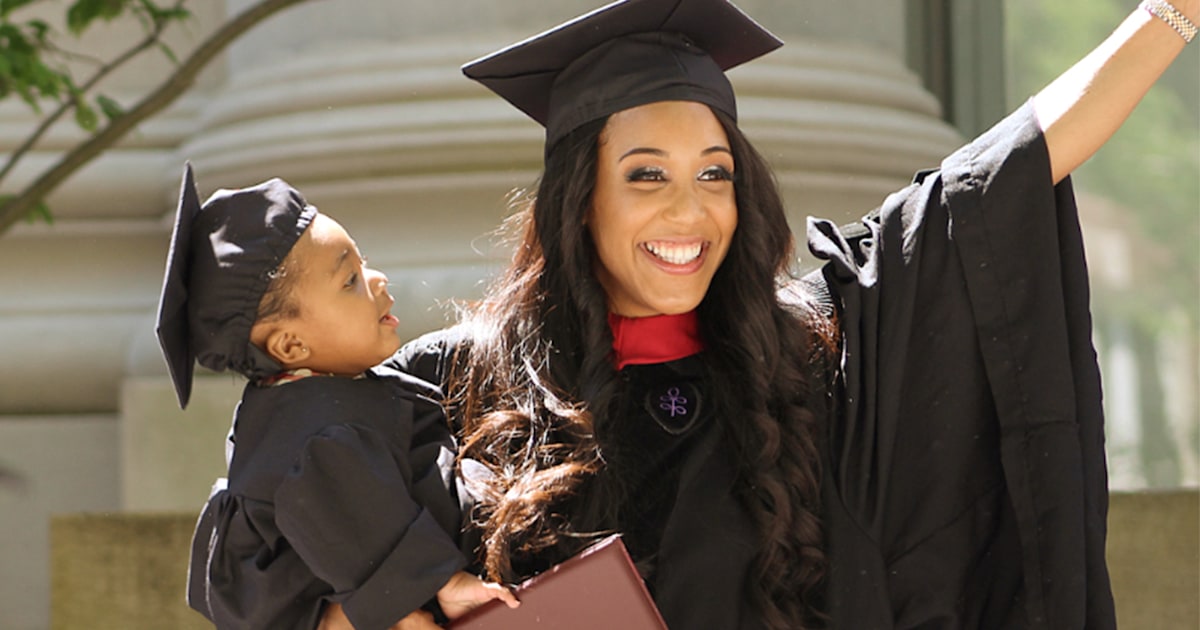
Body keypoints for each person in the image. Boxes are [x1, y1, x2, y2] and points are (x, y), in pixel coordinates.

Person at [313, 0, 1196, 627]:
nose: (689, 212)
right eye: (646, 174)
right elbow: (271, 525)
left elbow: (990, 186)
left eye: (715, 172)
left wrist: (1172, 13)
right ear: (582, 201)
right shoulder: (459, 383)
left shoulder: (806, 355)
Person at [155, 166, 517, 629]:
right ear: (290, 346)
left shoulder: (303, 400)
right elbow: (356, 519)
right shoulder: (316, 427)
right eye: (350, 280)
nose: (378, 279)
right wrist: (439, 590)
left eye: (362, 262)